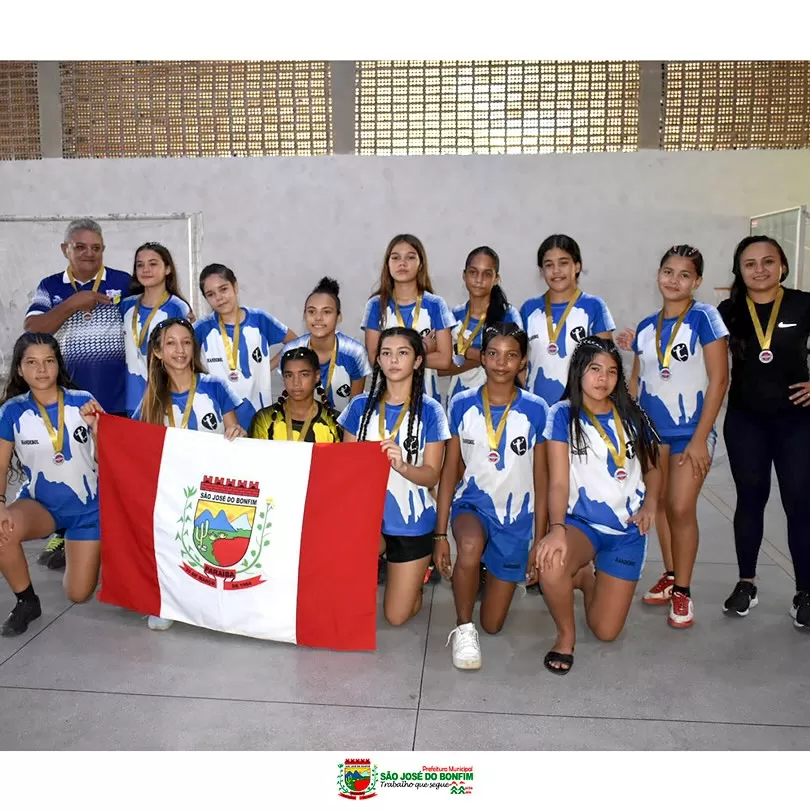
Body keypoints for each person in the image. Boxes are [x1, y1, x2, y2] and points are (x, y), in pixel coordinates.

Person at [536, 337, 661, 674]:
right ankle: (565, 634)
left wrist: (651, 505)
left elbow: (652, 467)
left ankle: (587, 579)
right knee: (551, 562)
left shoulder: (632, 412)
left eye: (611, 371)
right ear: (579, 371)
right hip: (582, 525)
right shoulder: (562, 415)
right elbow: (559, 482)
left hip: (627, 531)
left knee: (606, 632)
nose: (603, 378)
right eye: (595, 369)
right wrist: (557, 529)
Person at [624, 246, 729, 629]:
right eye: (668, 271)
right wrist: (632, 427)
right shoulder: (647, 326)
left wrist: (701, 437)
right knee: (663, 506)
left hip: (690, 433)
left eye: (684, 275)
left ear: (697, 281)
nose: (674, 280)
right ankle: (670, 575)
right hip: (652, 435)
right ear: (658, 274)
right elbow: (637, 380)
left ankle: (683, 590)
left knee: (682, 507)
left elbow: (720, 379)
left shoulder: (705, 317)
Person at [435, 323, 548, 670]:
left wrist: (539, 540)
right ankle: (463, 627)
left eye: (511, 355)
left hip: (516, 519)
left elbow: (543, 481)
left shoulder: (537, 409)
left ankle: (487, 576)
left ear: (523, 361)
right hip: (473, 506)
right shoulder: (461, 404)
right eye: (494, 354)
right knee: (468, 547)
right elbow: (449, 470)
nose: (501, 363)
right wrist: (440, 535)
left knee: (494, 625)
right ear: (482, 358)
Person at [24, 218, 131, 568]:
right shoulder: (51, 286)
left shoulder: (122, 282)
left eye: (96, 247)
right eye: (81, 246)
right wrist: (74, 303)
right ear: (65, 249)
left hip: (117, 398)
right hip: (67, 402)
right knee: (72, 468)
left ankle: (111, 537)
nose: (89, 253)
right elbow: (33, 328)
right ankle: (65, 531)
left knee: (113, 472)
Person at [717, 235, 810, 630]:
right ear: (739, 270)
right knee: (750, 500)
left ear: (783, 267)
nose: (759, 269)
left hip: (796, 421)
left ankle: (805, 591)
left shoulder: (804, 303)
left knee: (800, 504)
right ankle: (746, 583)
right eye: (750, 263)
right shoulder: (728, 309)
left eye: (768, 261)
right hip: (745, 420)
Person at [134, 317, 247, 631]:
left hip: (211, 490)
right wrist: (99, 427)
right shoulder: (150, 400)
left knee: (213, 544)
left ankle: (215, 599)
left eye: (186, 342)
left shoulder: (214, 386)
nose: (180, 350)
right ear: (157, 352)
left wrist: (236, 432)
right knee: (170, 545)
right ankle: (167, 601)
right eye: (170, 343)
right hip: (172, 493)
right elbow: (132, 447)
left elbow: (234, 430)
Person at [339, 327, 450, 626]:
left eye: (403, 353)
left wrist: (402, 466)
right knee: (339, 562)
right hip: (370, 518)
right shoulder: (360, 406)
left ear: (417, 361)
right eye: (386, 353)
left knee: (396, 617)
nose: (393, 360)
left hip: (411, 523)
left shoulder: (431, 411)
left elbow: (431, 476)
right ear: (378, 360)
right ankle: (387, 566)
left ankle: (414, 581)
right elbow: (345, 467)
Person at [0, 333, 104, 636]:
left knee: (78, 594)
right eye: (32, 362)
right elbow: (1, 464)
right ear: (20, 369)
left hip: (88, 510)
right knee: (2, 530)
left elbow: (113, 456)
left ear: (58, 365)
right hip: (40, 504)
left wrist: (98, 429)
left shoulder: (83, 402)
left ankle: (75, 546)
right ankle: (26, 601)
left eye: (49, 361)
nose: (41, 369)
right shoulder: (11, 411)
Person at [194, 263, 297, 430]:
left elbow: (295, 342)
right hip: (220, 421)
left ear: (235, 287)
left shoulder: (259, 319)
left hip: (260, 416)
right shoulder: (201, 328)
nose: (219, 297)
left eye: (223, 289)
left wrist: (268, 365)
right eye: (211, 294)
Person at [520, 234, 615, 407]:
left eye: (563, 263)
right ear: (541, 271)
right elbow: (519, 361)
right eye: (549, 265)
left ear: (577, 266)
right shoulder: (529, 309)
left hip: (580, 409)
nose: (556, 271)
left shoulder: (594, 307)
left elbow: (606, 361)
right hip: (537, 410)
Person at [361, 234, 456, 403]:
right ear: (387, 264)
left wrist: (394, 356)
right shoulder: (376, 305)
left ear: (421, 264)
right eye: (395, 257)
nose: (402, 263)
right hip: (385, 400)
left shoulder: (436, 304)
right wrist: (423, 347)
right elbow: (375, 358)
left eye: (410, 257)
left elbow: (445, 360)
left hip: (425, 400)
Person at [440, 246, 523, 407]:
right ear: (464, 276)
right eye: (473, 272)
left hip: (498, 405)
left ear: (496, 279)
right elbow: (440, 369)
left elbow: (515, 361)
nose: (479, 279)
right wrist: (483, 357)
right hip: (458, 403)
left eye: (487, 274)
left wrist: (467, 352)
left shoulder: (508, 315)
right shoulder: (452, 316)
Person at [121, 242, 192, 416]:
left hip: (163, 396)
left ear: (167, 269)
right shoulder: (125, 305)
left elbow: (185, 354)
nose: (146, 269)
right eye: (140, 265)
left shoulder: (178, 307)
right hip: (129, 397)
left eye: (153, 264)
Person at [280, 277, 371, 414]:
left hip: (341, 429)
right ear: (304, 315)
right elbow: (291, 400)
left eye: (326, 312)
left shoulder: (355, 352)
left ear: (339, 317)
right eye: (311, 311)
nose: (318, 318)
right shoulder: (291, 350)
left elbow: (355, 407)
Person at [250, 347, 342, 442]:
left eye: (304, 374)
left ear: (317, 376)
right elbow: (257, 456)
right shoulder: (265, 419)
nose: (296, 382)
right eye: (289, 375)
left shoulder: (334, 420)